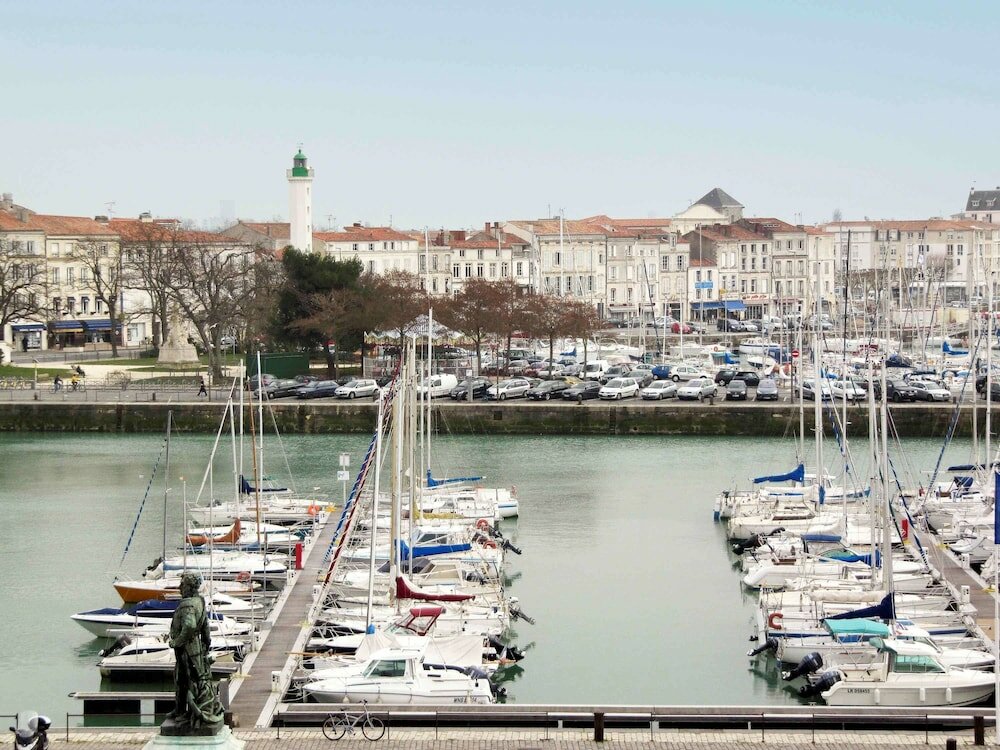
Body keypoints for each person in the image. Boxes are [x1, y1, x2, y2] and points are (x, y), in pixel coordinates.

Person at [163, 572, 224, 734]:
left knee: (183, 679)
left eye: (182, 585)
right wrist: (206, 642)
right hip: (197, 647)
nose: (179, 588)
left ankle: (187, 711)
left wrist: (176, 642)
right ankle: (180, 709)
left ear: (188, 587)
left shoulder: (187, 605)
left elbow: (189, 626)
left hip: (187, 650)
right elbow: (205, 626)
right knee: (194, 678)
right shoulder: (200, 602)